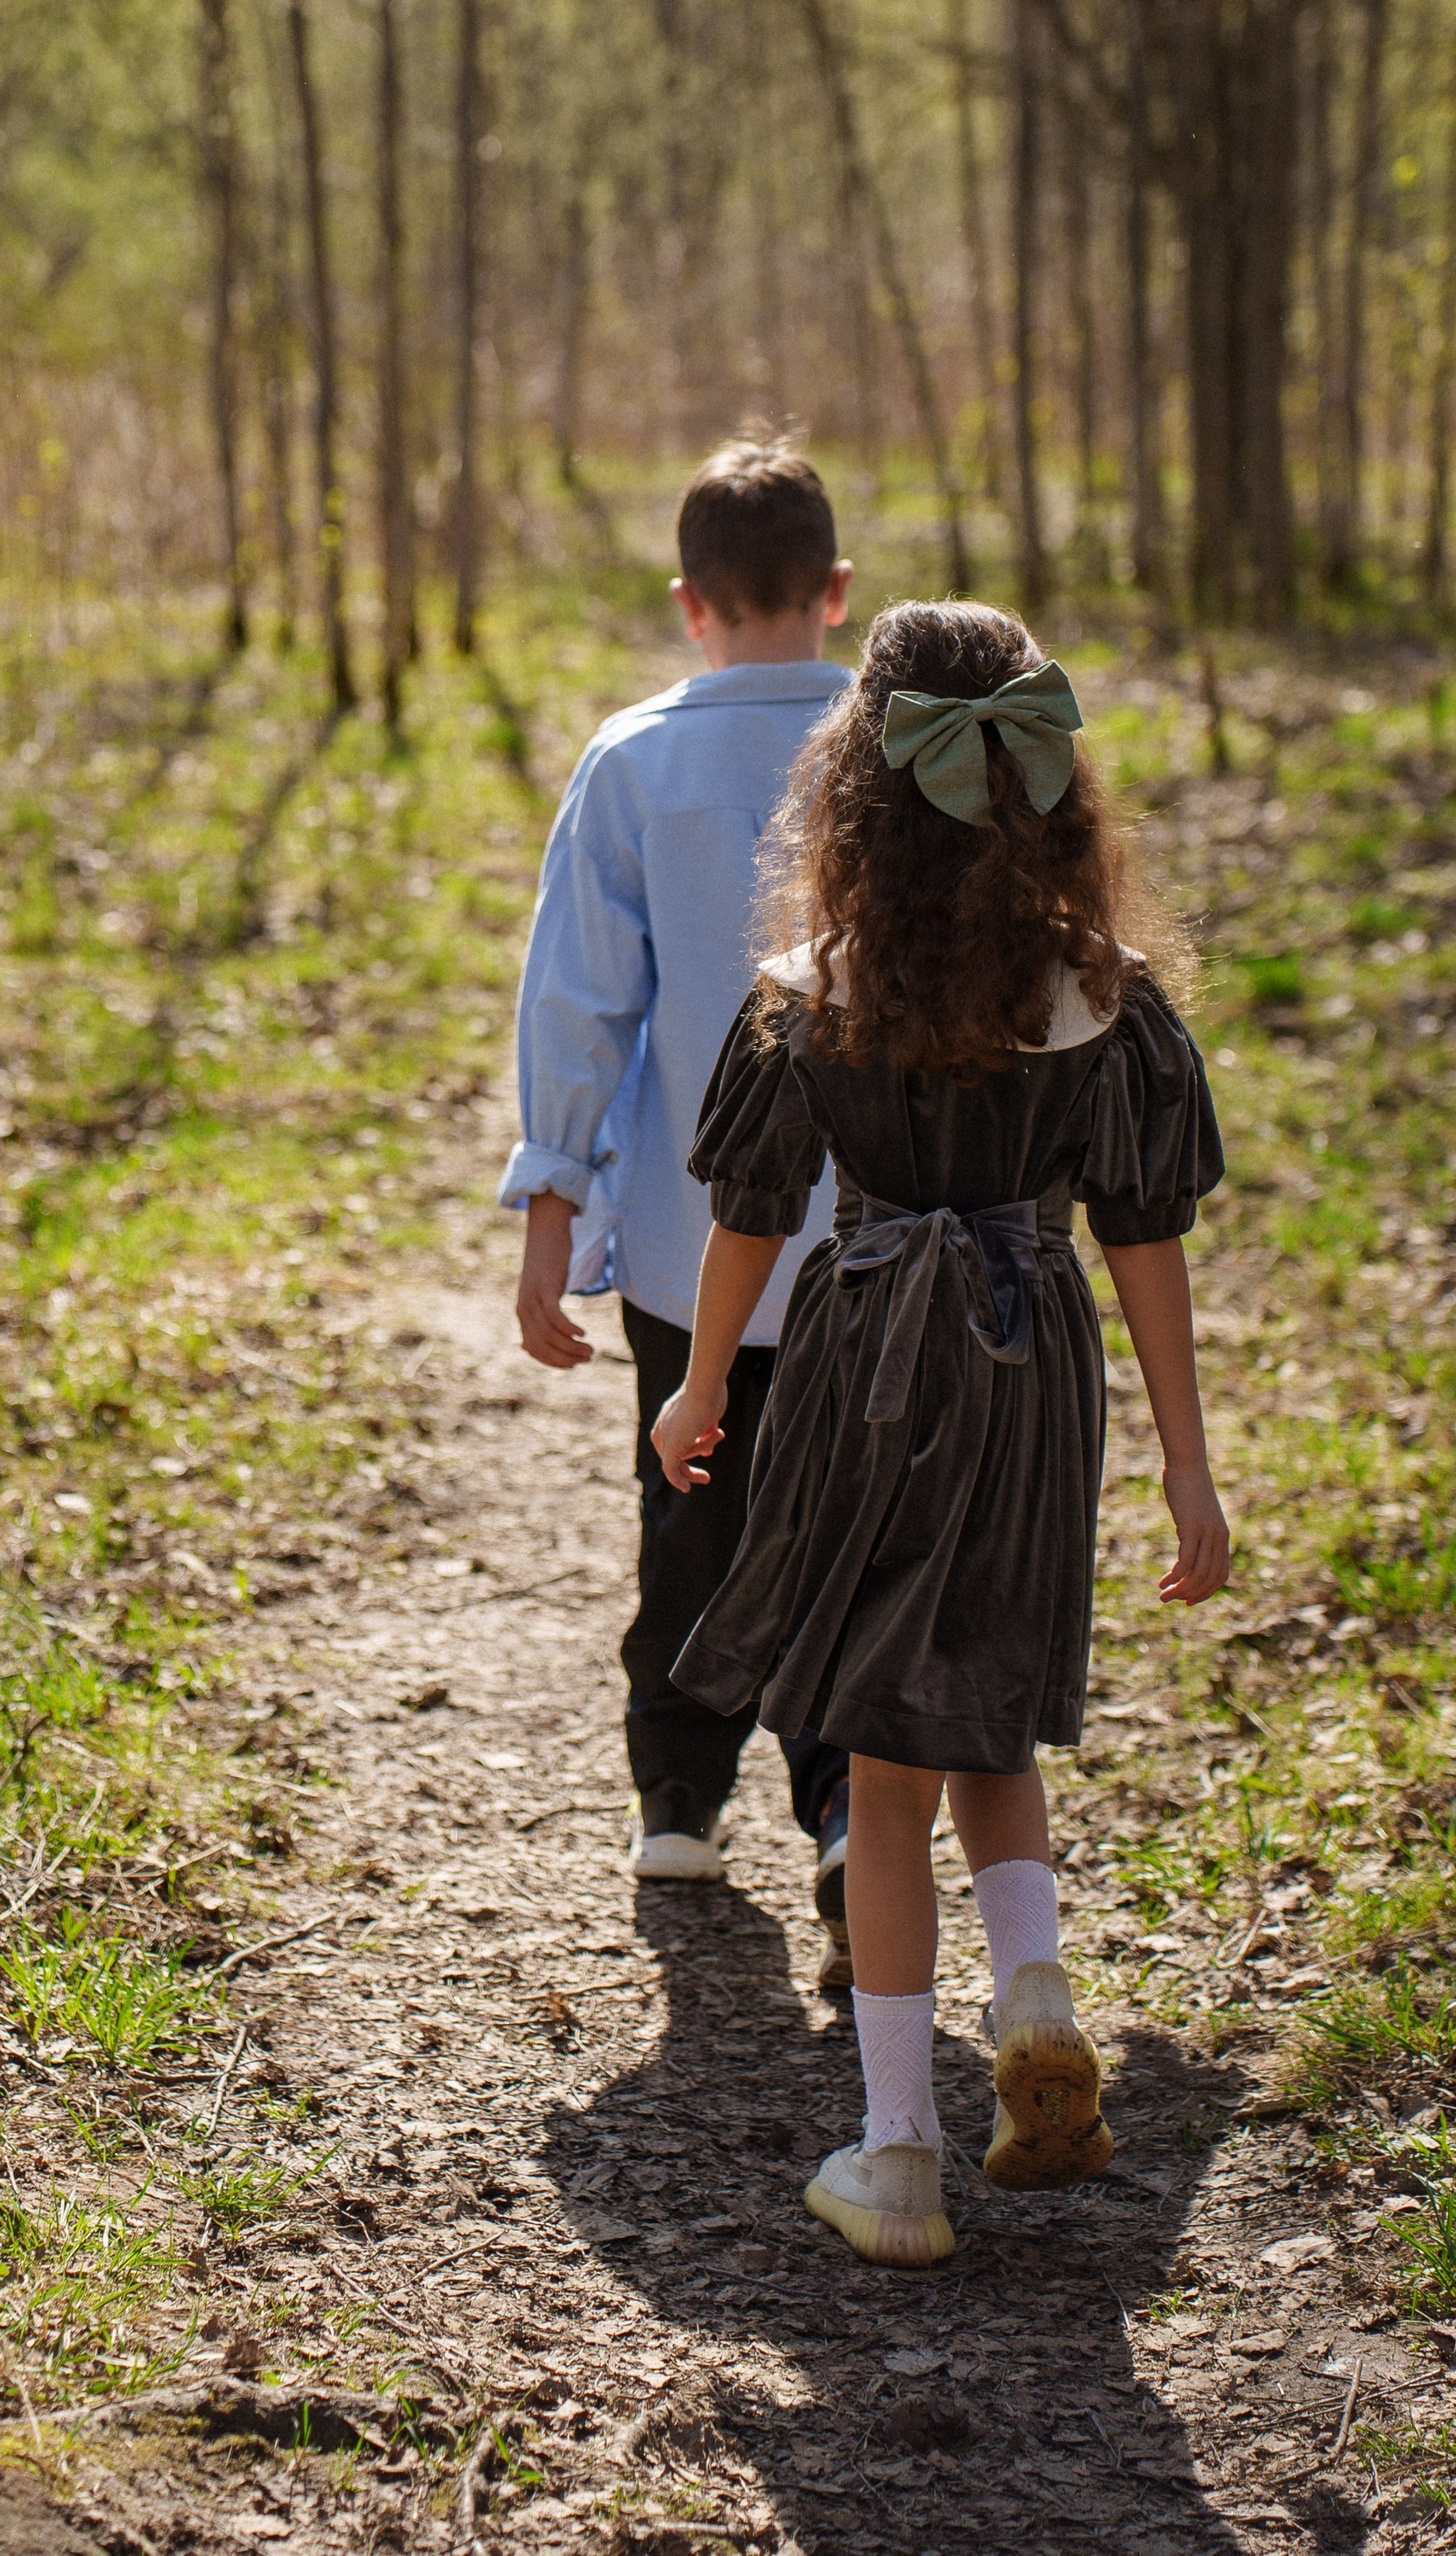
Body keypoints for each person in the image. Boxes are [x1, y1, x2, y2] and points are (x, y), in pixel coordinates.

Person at [649, 598, 1230, 2269]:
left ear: (858, 791)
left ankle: (899, 2153)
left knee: (884, 1771)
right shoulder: (1107, 1002)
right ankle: (1034, 1988)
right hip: (1034, 1360)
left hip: (863, 1370)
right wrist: (1187, 1461)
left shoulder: (805, 996)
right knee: (987, 1702)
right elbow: (1144, 1239)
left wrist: (698, 1394)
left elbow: (752, 1221)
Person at [502, 439, 855, 1961]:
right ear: (837, 596)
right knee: (857, 1516)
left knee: (691, 1487)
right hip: (877, 1225)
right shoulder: (898, 743)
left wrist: (549, 1209)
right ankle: (850, 1803)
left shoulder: (633, 759)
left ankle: (677, 1792)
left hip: (682, 1233)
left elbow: (580, 1001)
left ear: (690, 604)